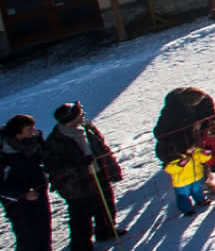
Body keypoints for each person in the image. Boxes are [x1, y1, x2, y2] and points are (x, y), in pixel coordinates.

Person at [42, 102, 124, 249]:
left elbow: (102, 147)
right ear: (71, 118)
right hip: (77, 185)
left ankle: (105, 231)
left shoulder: (87, 128)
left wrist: (112, 168)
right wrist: (79, 165)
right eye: (80, 113)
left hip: (98, 174)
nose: (83, 115)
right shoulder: (54, 142)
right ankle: (81, 245)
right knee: (81, 216)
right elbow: (54, 168)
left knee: (106, 205)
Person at [1, 114, 51, 251]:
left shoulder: (35, 140)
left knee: (44, 230)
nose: (33, 131)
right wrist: (22, 193)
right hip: (16, 200)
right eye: (29, 129)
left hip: (38, 190)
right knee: (27, 235)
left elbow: (45, 158)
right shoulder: (3, 149)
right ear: (18, 133)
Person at [162, 145, 212, 217]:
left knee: (198, 190)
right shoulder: (174, 157)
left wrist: (207, 153)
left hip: (196, 178)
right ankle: (187, 209)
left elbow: (203, 158)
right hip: (182, 182)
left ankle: (201, 200)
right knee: (183, 196)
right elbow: (169, 169)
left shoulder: (195, 152)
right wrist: (179, 165)